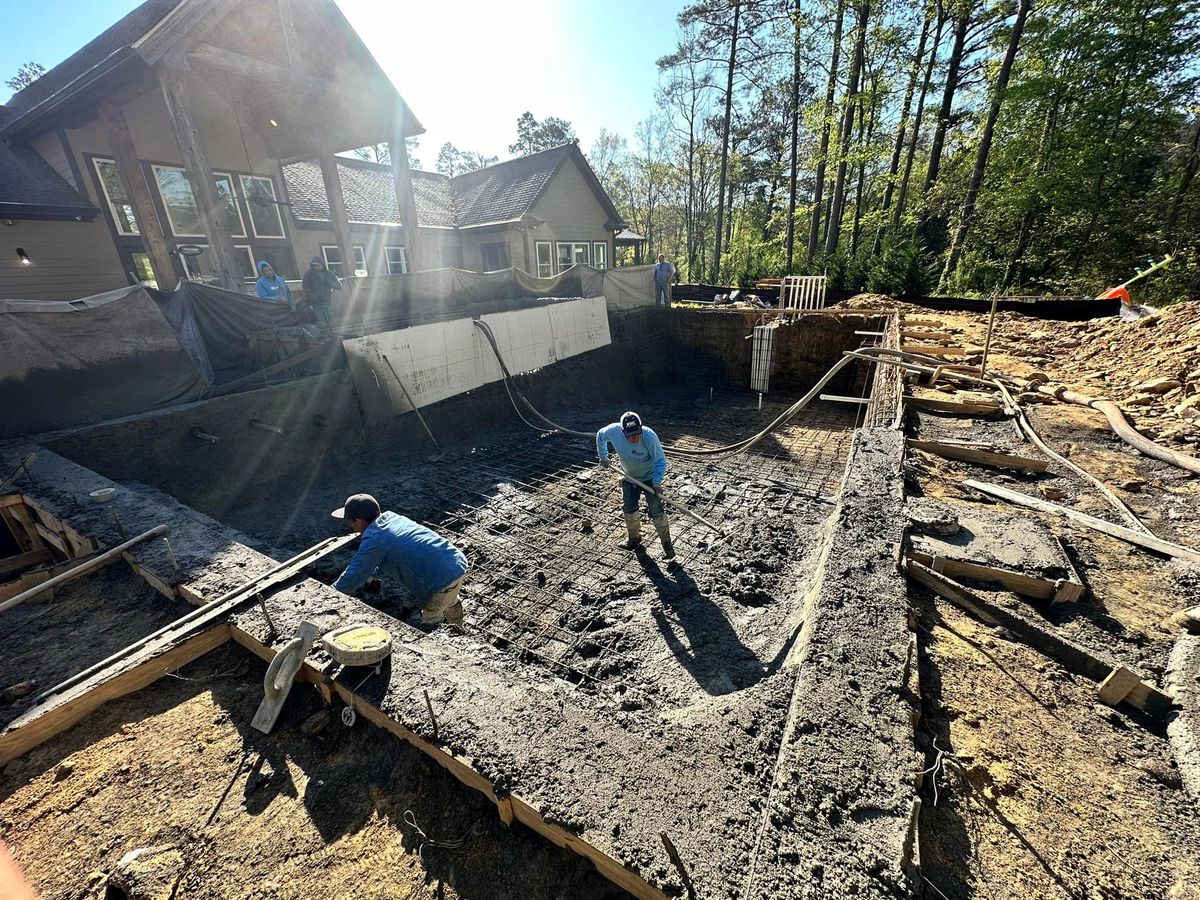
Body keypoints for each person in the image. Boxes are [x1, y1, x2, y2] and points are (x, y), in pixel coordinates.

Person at [331, 493, 469, 625]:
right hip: (456, 561)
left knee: (432, 617)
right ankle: (458, 626)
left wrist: (331, 594)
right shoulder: (393, 519)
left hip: (441, 579)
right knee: (449, 598)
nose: (350, 526)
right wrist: (373, 574)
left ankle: (448, 635)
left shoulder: (374, 539)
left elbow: (354, 574)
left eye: (350, 522)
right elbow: (394, 552)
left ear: (359, 522)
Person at [596, 411, 674, 559]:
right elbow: (600, 435)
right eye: (630, 434)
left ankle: (667, 545)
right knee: (629, 508)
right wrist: (603, 456)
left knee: (656, 509)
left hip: (650, 478)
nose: (635, 437)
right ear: (622, 431)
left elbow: (661, 461)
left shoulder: (649, 436)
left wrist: (657, 483)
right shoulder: (613, 431)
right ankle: (634, 539)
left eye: (637, 433)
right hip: (630, 478)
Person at [301, 256, 341, 324]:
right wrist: (310, 295)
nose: (316, 267)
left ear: (323, 265)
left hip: (327, 301)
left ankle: (332, 333)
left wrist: (332, 284)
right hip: (315, 302)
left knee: (330, 320)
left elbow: (339, 286)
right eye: (315, 265)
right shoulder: (308, 274)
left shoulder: (329, 274)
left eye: (318, 265)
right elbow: (305, 286)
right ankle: (323, 333)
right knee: (320, 321)